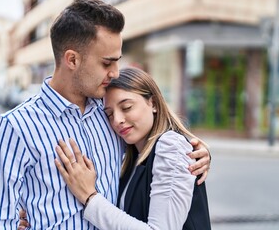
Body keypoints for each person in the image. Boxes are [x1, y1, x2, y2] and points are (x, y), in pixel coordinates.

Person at [0, 0, 211, 229]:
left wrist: (194, 149)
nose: (115, 72)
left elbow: (155, 149)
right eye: (106, 63)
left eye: (117, 61)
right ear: (72, 59)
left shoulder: (109, 113)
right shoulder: (15, 127)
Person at [48, 67, 211, 229]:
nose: (117, 120)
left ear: (153, 103)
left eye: (126, 107)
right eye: (109, 114)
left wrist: (90, 197)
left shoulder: (170, 146)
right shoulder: (131, 155)